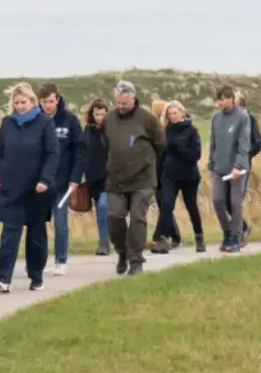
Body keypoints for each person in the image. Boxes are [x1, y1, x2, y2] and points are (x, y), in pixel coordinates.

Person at [0, 82, 61, 292]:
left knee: (36, 235)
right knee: (10, 231)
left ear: (32, 102)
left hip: (36, 188)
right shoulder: (8, 123)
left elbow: (52, 154)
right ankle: (3, 277)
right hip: (12, 186)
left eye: (24, 102)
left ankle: (36, 276)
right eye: (16, 102)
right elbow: (0, 152)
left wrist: (45, 180)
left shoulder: (44, 123)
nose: (20, 106)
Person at [103, 80, 167, 273]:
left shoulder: (147, 119)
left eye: (125, 103)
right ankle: (122, 251)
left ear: (133, 99)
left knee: (138, 217)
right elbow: (105, 145)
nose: (121, 107)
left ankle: (136, 260)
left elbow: (160, 144)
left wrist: (145, 161)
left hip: (143, 179)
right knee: (114, 216)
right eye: (118, 103)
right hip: (116, 179)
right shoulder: (108, 119)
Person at [206, 85, 258, 251]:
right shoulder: (216, 118)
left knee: (235, 203)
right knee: (217, 200)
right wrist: (211, 162)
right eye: (219, 99)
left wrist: (238, 165)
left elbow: (244, 144)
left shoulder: (242, 117)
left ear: (231, 99)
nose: (221, 102)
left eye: (224, 99)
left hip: (237, 169)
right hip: (219, 167)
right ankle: (227, 233)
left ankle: (235, 238)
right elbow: (214, 142)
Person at [151, 100, 205, 254]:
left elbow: (196, 155)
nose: (173, 116)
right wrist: (157, 175)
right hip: (169, 175)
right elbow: (161, 155)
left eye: (175, 113)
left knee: (191, 207)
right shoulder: (166, 131)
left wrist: (180, 147)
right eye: (170, 114)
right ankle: (159, 238)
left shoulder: (191, 131)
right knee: (166, 205)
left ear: (182, 113)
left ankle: (199, 237)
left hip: (188, 176)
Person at [40, 85, 83, 272]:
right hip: (40, 182)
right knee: (37, 224)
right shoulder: (36, 120)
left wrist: (75, 178)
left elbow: (80, 151)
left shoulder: (70, 121)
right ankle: (38, 262)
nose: (48, 106)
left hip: (63, 181)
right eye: (44, 102)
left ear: (57, 99)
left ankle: (61, 260)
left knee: (60, 223)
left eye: (51, 101)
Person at [80, 100, 112, 258]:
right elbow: (83, 152)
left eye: (102, 113)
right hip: (93, 177)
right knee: (101, 212)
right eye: (97, 114)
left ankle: (104, 244)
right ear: (92, 115)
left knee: (103, 206)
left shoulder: (112, 129)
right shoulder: (87, 131)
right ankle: (105, 241)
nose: (100, 117)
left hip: (110, 176)